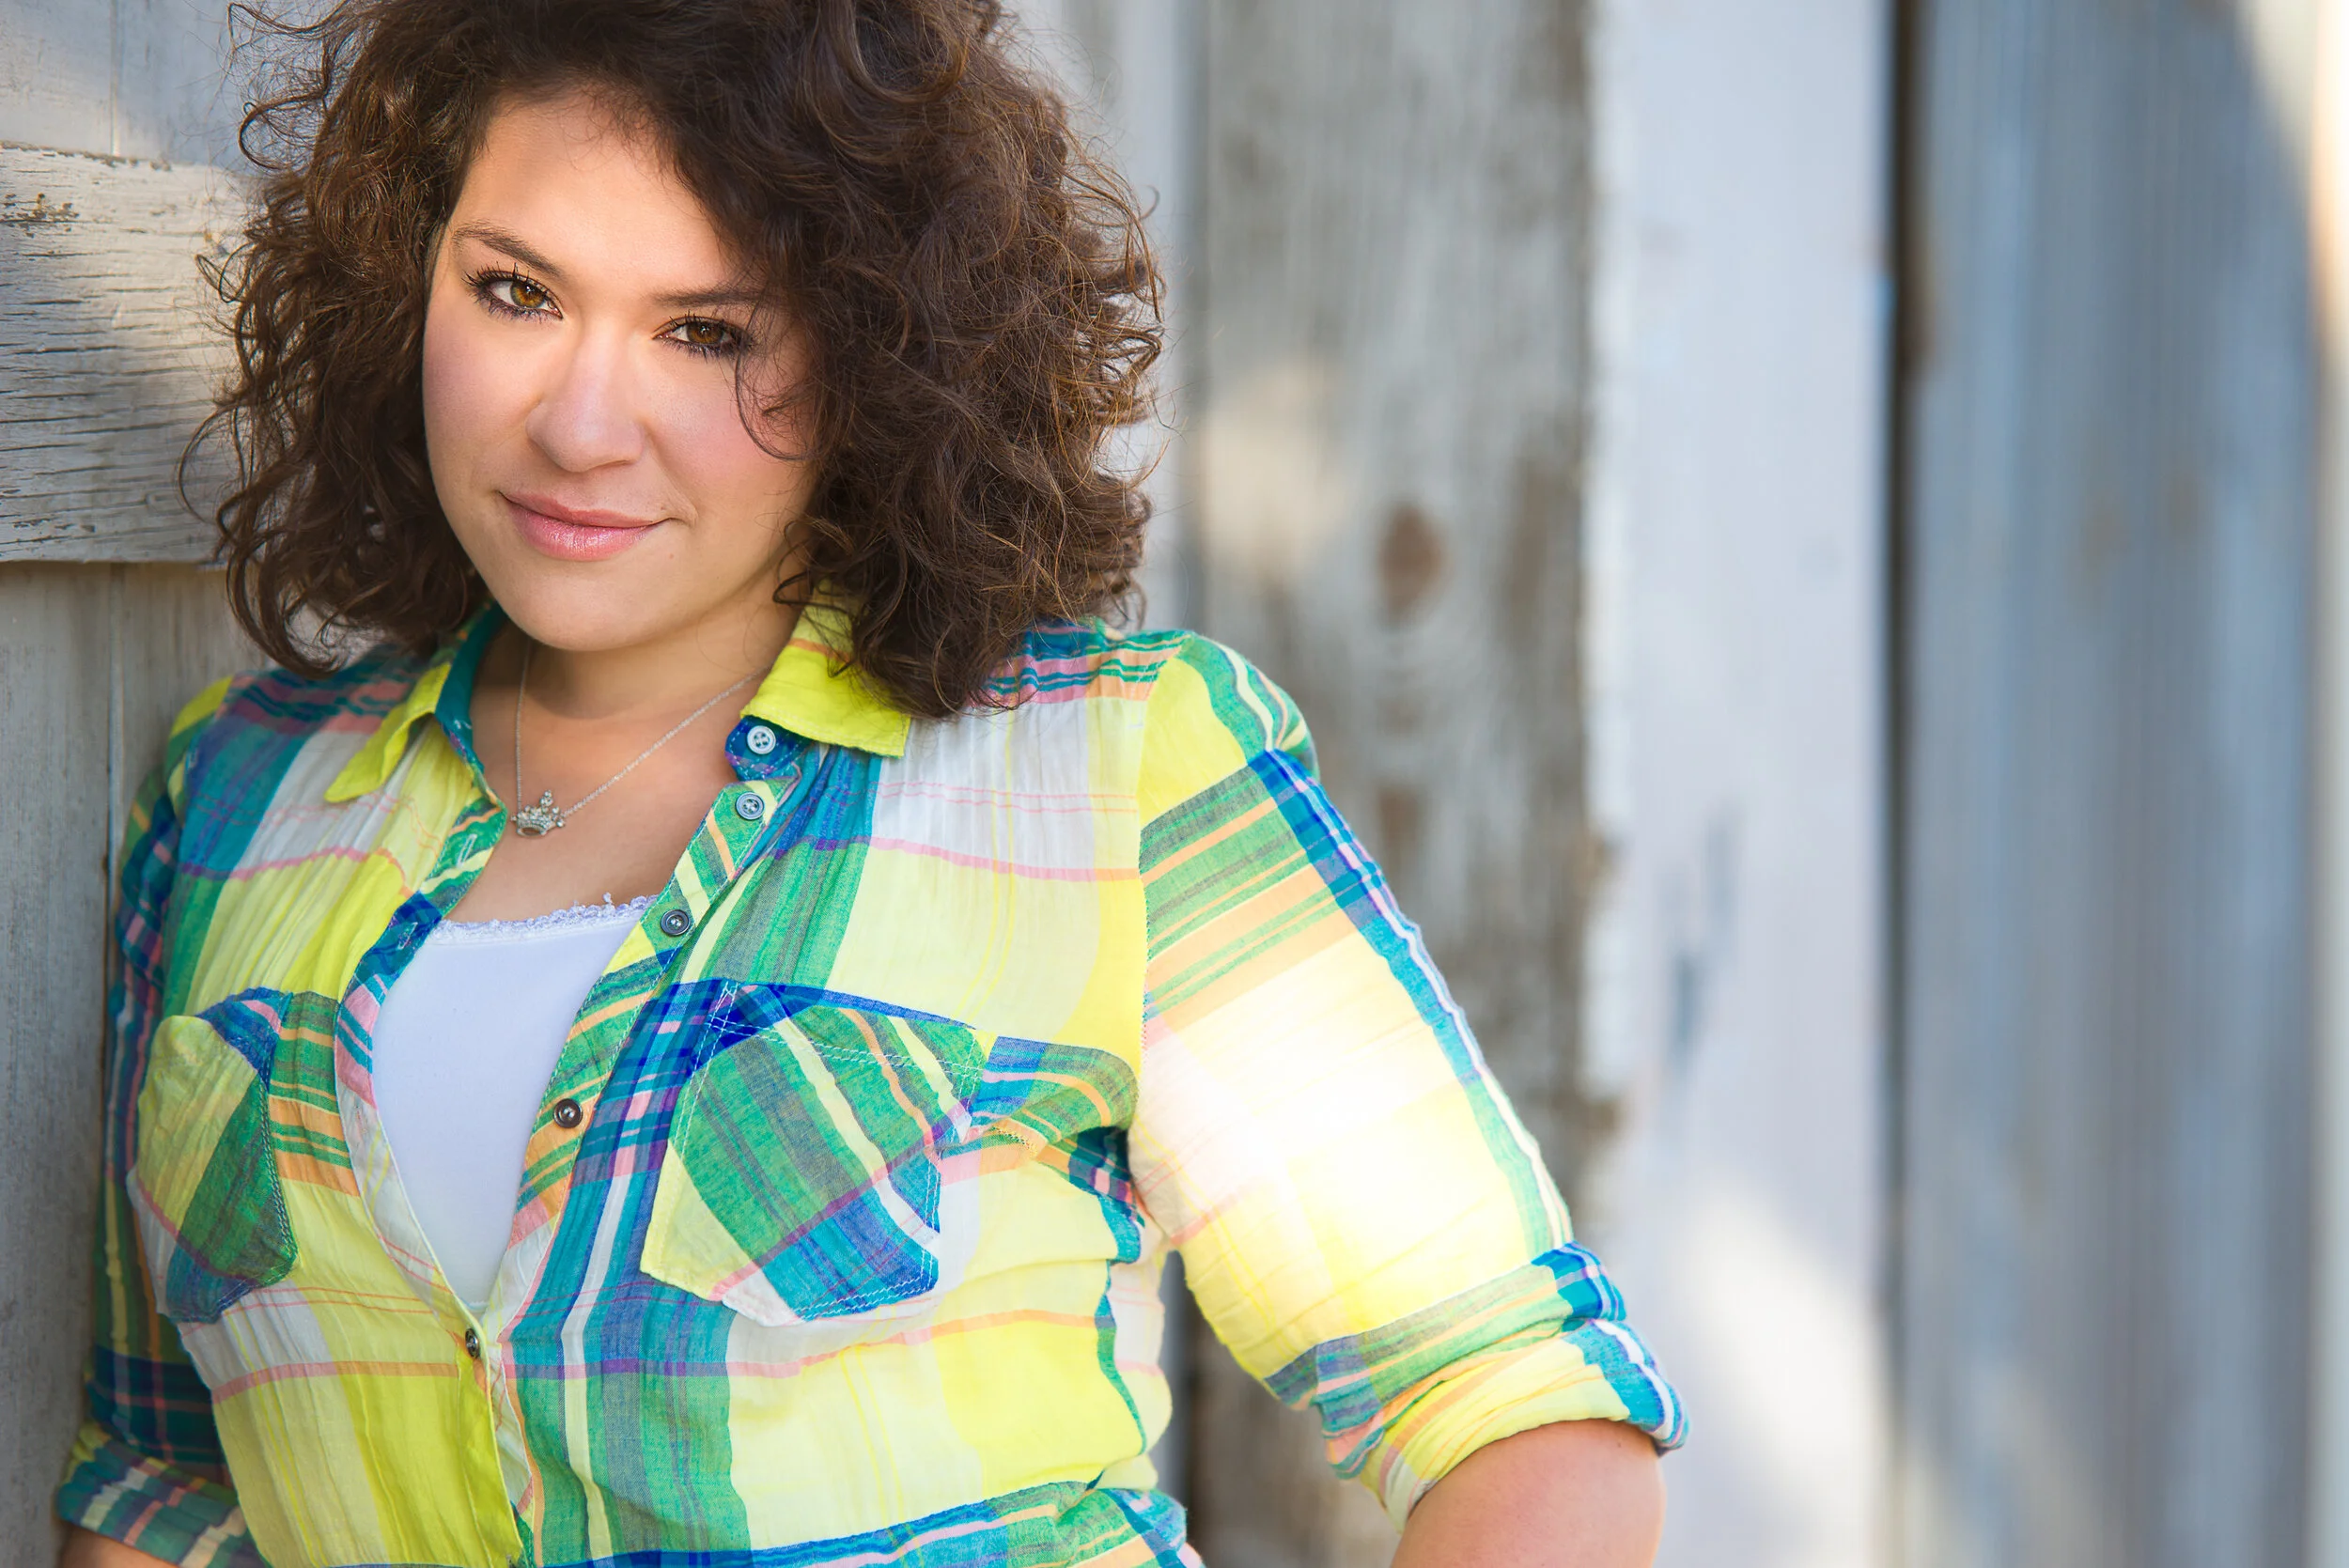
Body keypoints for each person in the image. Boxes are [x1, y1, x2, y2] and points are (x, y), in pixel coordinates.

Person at [54, 3, 1682, 1565]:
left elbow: (1517, 1414)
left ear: (878, 364)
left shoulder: (1112, 777)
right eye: (517, 293)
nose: (580, 423)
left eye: (708, 332)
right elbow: (163, 1496)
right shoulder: (232, 803)